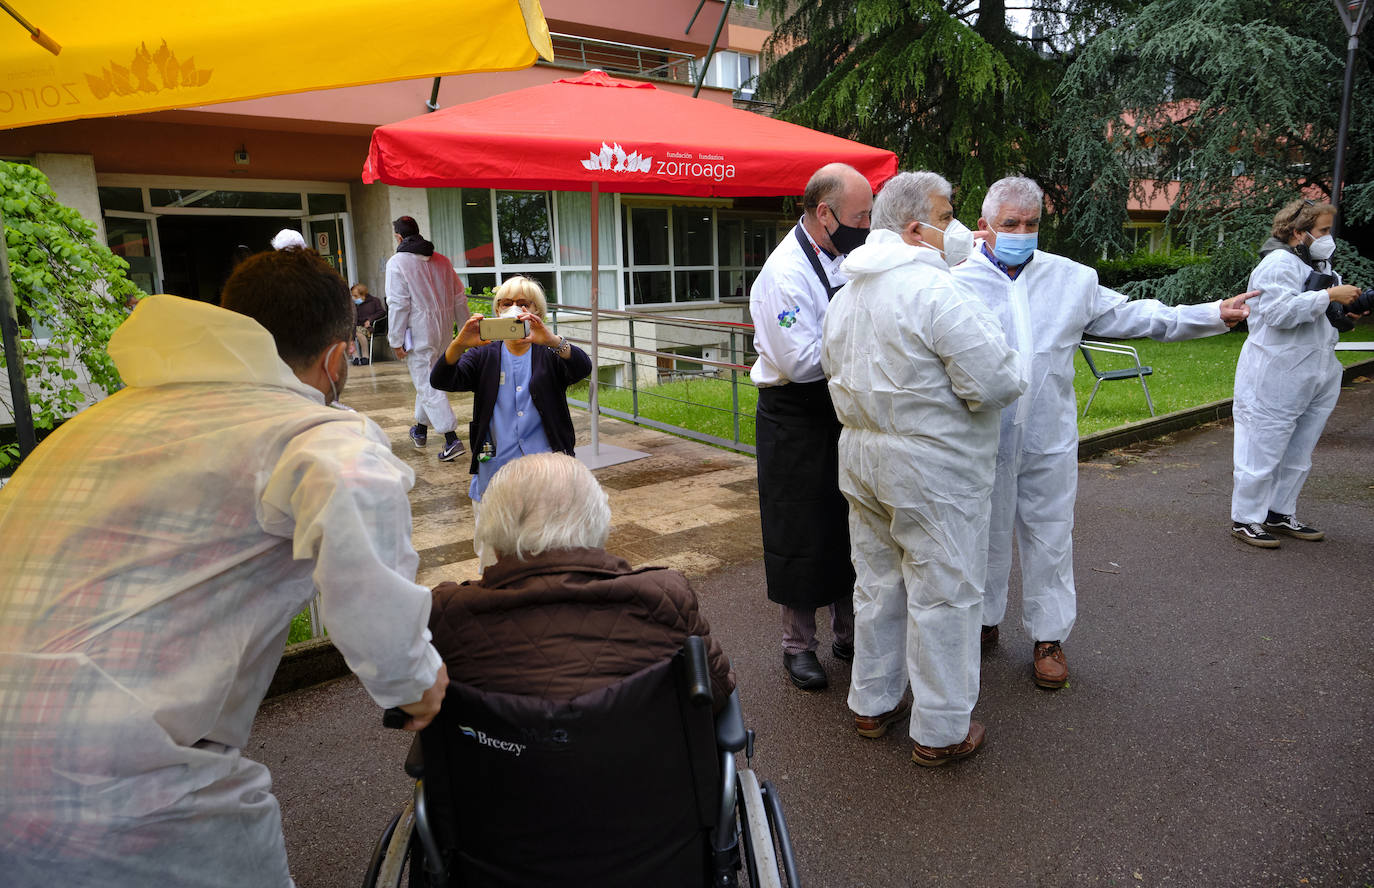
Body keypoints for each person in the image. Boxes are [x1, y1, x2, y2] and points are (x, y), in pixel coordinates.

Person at [0, 248, 448, 887]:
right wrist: (415, 681)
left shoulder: (93, 424)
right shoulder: (311, 432)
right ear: (337, 357)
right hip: (123, 790)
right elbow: (364, 549)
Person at [952, 175, 1256, 690]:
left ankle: (1049, 636)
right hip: (983, 436)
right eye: (1010, 224)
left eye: (1031, 224)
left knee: (1050, 536)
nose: (1022, 232)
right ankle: (982, 622)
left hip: (1049, 436)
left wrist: (1210, 315)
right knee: (982, 533)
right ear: (984, 226)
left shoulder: (1071, 279)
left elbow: (1137, 315)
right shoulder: (954, 282)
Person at [822, 172, 1026, 766]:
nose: (961, 228)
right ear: (916, 229)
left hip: (863, 461)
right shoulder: (938, 292)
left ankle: (872, 701)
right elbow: (995, 380)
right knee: (946, 594)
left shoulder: (848, 294)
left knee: (877, 584)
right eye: (948, 214)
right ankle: (940, 731)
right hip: (935, 469)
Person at [429, 452, 735, 709]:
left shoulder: (447, 613)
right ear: (598, 524)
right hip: (644, 776)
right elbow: (719, 695)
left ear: (493, 537)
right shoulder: (665, 597)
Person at [749, 162, 873, 691]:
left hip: (837, 408)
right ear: (824, 214)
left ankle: (850, 634)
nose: (866, 226)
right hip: (793, 414)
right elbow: (799, 362)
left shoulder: (841, 255)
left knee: (849, 521)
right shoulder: (782, 275)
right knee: (798, 531)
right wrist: (862, 347)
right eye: (860, 216)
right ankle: (797, 646)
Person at [429, 276, 592, 564]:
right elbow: (442, 379)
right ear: (497, 312)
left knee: (548, 549)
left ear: (536, 312)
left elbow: (581, 367)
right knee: (493, 553)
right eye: (506, 304)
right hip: (495, 471)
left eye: (522, 304)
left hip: (546, 472)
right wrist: (459, 343)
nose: (513, 309)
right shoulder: (484, 355)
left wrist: (552, 340)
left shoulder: (549, 353)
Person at [1230, 199, 1362, 548]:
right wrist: (1330, 294)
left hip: (1316, 369)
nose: (1327, 237)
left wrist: (1344, 311)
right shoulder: (1277, 265)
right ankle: (1246, 518)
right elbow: (1278, 313)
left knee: (1299, 450)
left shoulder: (1320, 266)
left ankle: (1279, 511)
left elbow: (1320, 313)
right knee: (1262, 445)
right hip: (1276, 370)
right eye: (1321, 230)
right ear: (1298, 232)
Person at [386, 215, 470, 462]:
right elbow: (459, 298)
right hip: (443, 330)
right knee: (429, 378)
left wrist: (395, 339)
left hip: (418, 331)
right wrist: (465, 331)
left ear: (399, 237)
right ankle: (420, 430)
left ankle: (451, 438)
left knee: (426, 382)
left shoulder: (397, 263)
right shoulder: (442, 261)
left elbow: (398, 304)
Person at [351, 282, 385, 365]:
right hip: (356, 326)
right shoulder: (354, 305)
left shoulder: (374, 301)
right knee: (347, 332)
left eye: (356, 296)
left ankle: (365, 356)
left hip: (369, 327)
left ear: (363, 295)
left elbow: (381, 312)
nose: (354, 298)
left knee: (358, 332)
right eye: (353, 296)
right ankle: (355, 356)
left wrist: (370, 320)